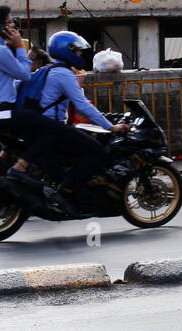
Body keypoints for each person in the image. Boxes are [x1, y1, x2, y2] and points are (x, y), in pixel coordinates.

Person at [0, 5, 75, 214]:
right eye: (10, 22)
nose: (13, 25)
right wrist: (19, 46)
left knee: (31, 130)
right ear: (1, 27)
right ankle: (22, 166)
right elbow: (24, 74)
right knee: (53, 129)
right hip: (2, 112)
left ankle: (9, 161)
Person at [37, 30, 130, 204]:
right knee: (96, 151)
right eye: (77, 51)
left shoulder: (51, 69)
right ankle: (66, 191)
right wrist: (111, 126)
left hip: (45, 126)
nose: (80, 54)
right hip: (52, 127)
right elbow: (83, 106)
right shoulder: (64, 74)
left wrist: (104, 117)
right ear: (67, 51)